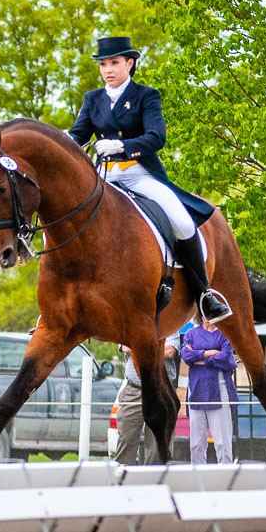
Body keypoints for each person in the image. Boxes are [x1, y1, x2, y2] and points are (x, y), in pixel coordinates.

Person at [68, 36, 229, 322]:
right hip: (104, 178)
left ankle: (204, 295)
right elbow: (77, 136)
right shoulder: (92, 100)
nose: (108, 69)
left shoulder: (146, 95)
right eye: (103, 64)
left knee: (181, 221)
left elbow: (157, 137)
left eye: (114, 63)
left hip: (139, 174)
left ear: (129, 63)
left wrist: (122, 146)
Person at [114, 332, 180, 465]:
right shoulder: (132, 322)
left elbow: (169, 351)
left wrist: (139, 348)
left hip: (161, 392)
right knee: (126, 439)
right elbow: (125, 346)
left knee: (159, 445)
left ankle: (155, 481)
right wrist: (155, 349)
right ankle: (123, 482)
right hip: (134, 391)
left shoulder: (169, 323)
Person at [181, 316, 238, 464]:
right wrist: (208, 353)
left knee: (222, 442)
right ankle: (198, 476)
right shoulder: (190, 334)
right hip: (196, 390)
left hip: (219, 390)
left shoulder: (226, 334)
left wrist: (199, 359)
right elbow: (186, 356)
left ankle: (226, 476)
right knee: (196, 444)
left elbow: (225, 357)